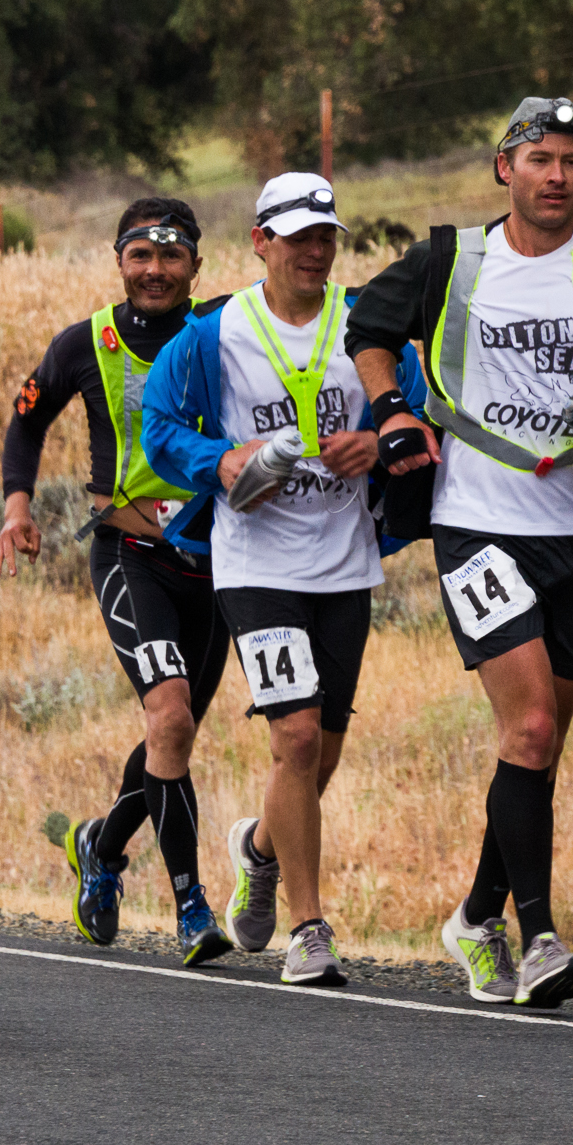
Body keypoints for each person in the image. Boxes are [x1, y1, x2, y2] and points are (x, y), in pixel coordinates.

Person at [346, 97, 573, 1008]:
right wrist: (391, 409)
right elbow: (368, 332)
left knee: (534, 747)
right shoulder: (448, 259)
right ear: (502, 167)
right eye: (539, 158)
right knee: (532, 727)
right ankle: (537, 937)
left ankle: (474, 913)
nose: (556, 175)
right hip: (477, 521)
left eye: (571, 161)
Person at [143, 172, 428, 985]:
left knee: (320, 754)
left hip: (343, 561)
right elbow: (157, 425)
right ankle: (309, 930)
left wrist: (379, 442)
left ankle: (258, 849)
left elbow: (418, 413)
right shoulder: (211, 334)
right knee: (293, 737)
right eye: (297, 235)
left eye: (326, 235)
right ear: (260, 242)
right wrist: (221, 460)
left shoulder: (366, 327)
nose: (314, 250)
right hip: (252, 561)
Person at [0, 197, 233, 968]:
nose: (154, 270)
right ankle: (191, 906)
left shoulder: (227, 329)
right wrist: (15, 506)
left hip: (220, 560)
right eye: (139, 256)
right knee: (170, 715)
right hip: (131, 557)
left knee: (174, 732)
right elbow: (27, 419)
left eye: (170, 256)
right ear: (118, 260)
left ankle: (99, 842)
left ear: (196, 263)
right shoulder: (84, 342)